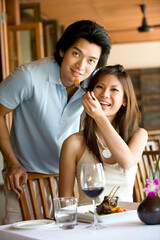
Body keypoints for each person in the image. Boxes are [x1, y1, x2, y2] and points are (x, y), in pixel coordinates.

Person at [0, 20, 111, 224]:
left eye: (91, 61)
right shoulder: (28, 76)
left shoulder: (93, 84)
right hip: (24, 180)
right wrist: (12, 163)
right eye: (76, 53)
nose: (81, 66)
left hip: (66, 183)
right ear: (62, 50)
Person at [59, 64, 148, 205]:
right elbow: (65, 201)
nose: (105, 94)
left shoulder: (138, 134)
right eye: (99, 87)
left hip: (125, 221)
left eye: (114, 89)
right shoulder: (73, 143)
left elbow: (126, 162)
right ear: (90, 93)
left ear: (124, 100)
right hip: (88, 223)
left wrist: (99, 117)